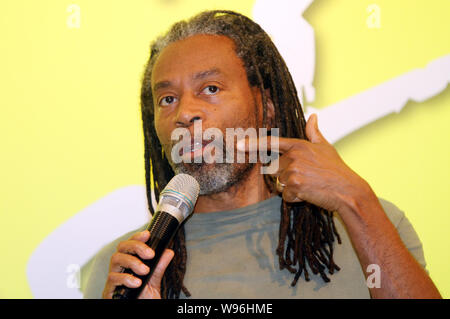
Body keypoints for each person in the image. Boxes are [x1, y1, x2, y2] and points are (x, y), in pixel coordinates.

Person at [81, 10, 441, 299]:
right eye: (167, 99)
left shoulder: (370, 224)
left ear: (266, 105)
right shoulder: (128, 267)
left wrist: (355, 198)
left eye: (210, 88)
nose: (184, 112)